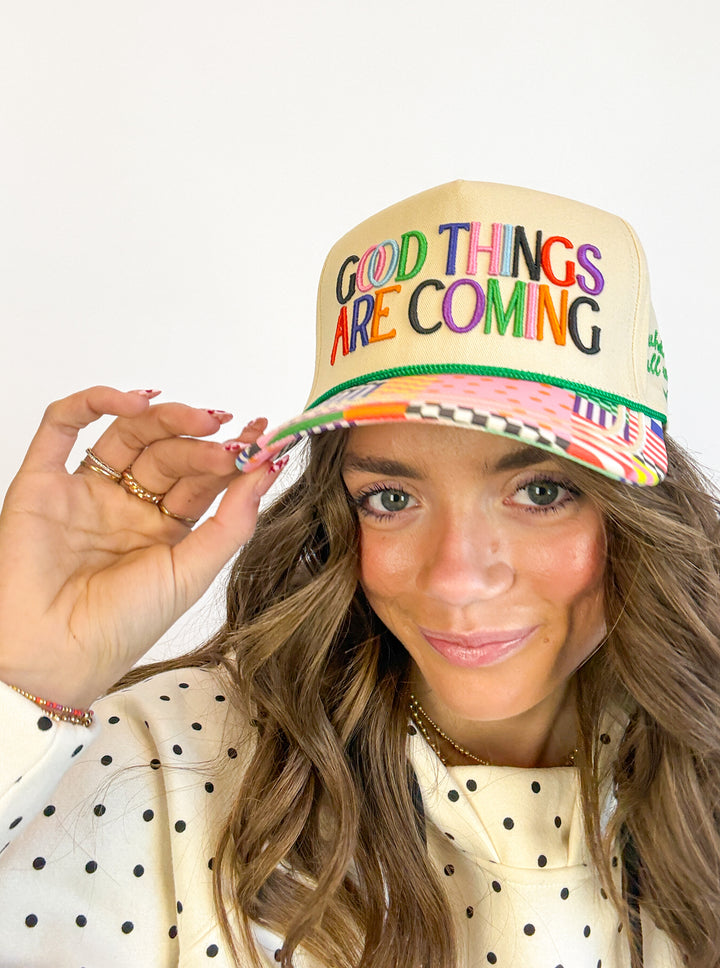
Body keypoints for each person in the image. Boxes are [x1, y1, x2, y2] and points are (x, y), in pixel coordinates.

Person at [0, 180, 717, 968]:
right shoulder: (169, 763)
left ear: (644, 514)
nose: (455, 577)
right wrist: (24, 680)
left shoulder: (699, 763)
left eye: (541, 492)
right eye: (391, 496)